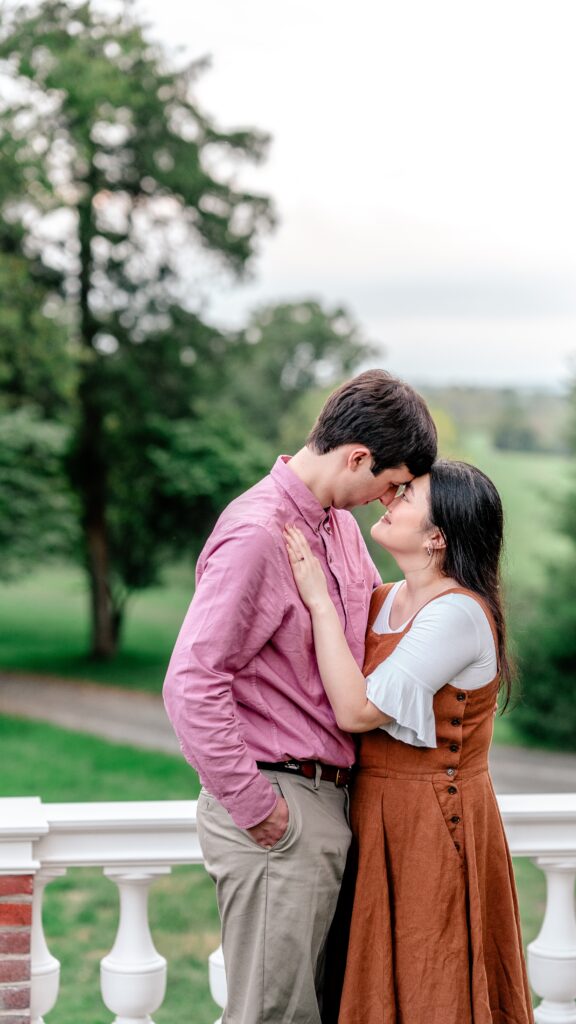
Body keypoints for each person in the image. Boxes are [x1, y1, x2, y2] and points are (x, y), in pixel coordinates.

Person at [162, 369, 437, 1024]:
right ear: (357, 458)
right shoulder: (258, 533)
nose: (385, 501)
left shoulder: (335, 528)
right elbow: (191, 681)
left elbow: (374, 643)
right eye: (390, 484)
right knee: (273, 1015)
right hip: (279, 805)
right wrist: (259, 810)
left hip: (327, 803)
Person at [284, 459, 535, 1024]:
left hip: (431, 825)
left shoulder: (458, 614)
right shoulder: (383, 599)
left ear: (437, 536)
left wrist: (319, 600)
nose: (386, 500)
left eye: (405, 496)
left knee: (430, 981)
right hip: (371, 815)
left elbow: (356, 710)